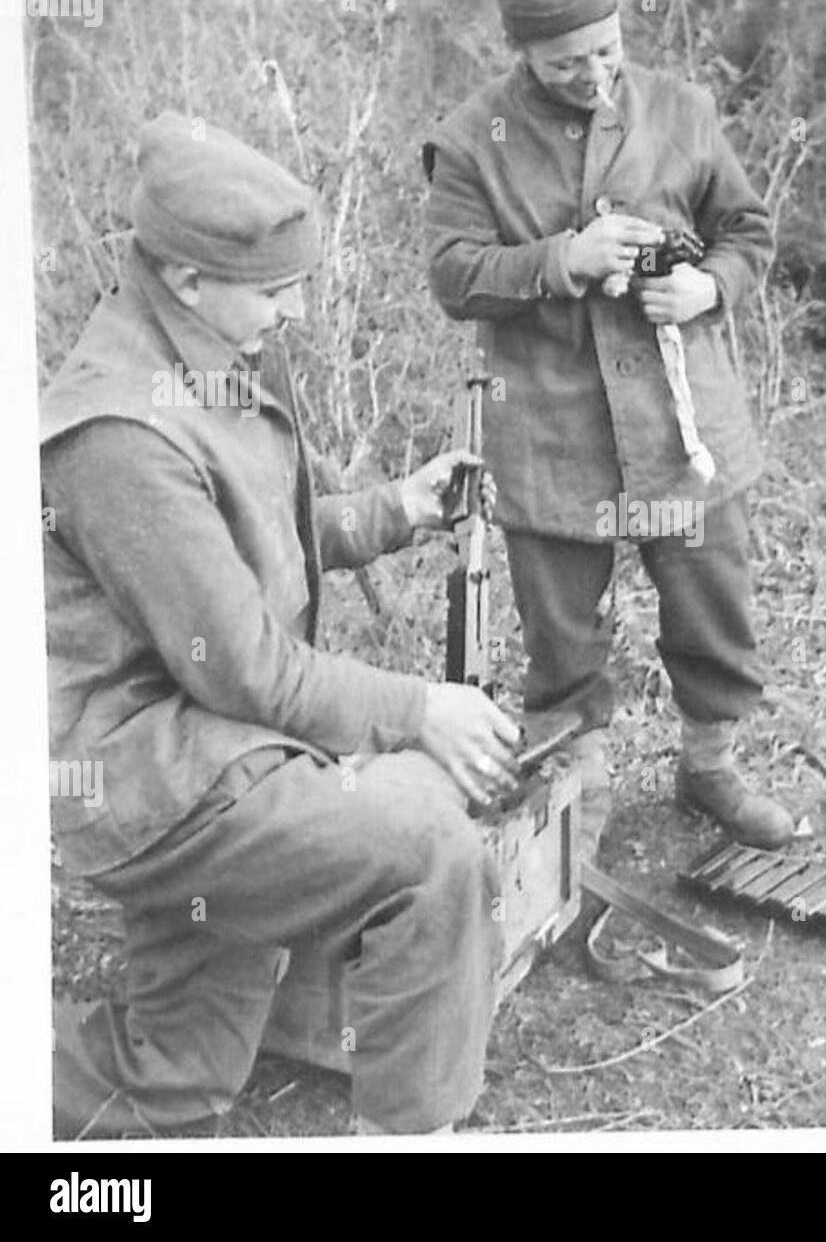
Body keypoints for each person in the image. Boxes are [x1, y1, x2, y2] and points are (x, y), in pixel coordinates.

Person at [44, 111, 519, 1138]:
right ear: (185, 278)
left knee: (179, 1080)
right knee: (430, 837)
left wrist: (394, 509)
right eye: (275, 289)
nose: (295, 310)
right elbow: (248, 667)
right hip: (159, 783)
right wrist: (416, 711)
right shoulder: (120, 431)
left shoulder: (207, 344)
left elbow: (251, 543)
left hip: (213, 744)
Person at [425, 0, 795, 860]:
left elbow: (746, 229)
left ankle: (709, 765)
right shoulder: (473, 139)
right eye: (566, 63)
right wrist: (561, 260)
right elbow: (453, 275)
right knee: (562, 631)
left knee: (713, 601)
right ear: (523, 54)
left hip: (681, 425)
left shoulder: (681, 109)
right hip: (550, 428)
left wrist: (710, 287)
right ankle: (576, 791)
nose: (594, 74)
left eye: (607, 50)